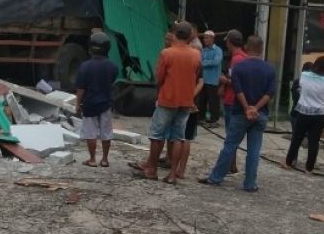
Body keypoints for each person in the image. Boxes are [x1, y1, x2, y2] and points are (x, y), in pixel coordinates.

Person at [199, 35, 275, 192]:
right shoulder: (270, 69)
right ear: (261, 49)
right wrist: (256, 108)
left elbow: (238, 90)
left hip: (240, 112)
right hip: (260, 114)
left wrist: (247, 107)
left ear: (247, 47)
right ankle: (250, 183)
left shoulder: (239, 67)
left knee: (230, 145)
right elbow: (269, 93)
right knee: (254, 150)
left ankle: (216, 177)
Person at [132, 21, 201, 184]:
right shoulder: (196, 54)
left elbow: (159, 78)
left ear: (175, 34)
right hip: (186, 101)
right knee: (178, 137)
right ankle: (172, 174)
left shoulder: (167, 53)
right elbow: (196, 74)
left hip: (168, 99)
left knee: (157, 135)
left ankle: (152, 169)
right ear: (189, 36)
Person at [75, 32, 119, 168]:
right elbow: (112, 82)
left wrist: (78, 104)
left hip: (89, 104)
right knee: (106, 132)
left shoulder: (85, 66)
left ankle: (92, 159)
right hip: (106, 103)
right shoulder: (113, 66)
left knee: (91, 133)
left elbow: (81, 89)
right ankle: (105, 159)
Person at [283, 56, 324, 173]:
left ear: (315, 65)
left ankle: (288, 162)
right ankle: (309, 168)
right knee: (314, 141)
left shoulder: (305, 75)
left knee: (297, 138)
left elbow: (301, 87)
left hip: (304, 112)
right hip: (321, 114)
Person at [220, 29, 246, 174]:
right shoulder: (242, 57)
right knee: (232, 135)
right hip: (232, 99)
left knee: (231, 136)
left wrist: (224, 81)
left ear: (230, 42)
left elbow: (236, 82)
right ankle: (231, 164)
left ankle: (229, 165)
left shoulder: (237, 59)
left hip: (232, 101)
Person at [197, 30, 223, 127]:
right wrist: (206, 62)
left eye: (207, 38)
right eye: (204, 38)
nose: (205, 40)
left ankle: (214, 120)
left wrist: (204, 63)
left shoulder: (218, 50)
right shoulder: (203, 51)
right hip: (204, 80)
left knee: (213, 101)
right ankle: (201, 118)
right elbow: (199, 61)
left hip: (213, 80)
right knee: (202, 100)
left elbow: (216, 62)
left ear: (212, 39)